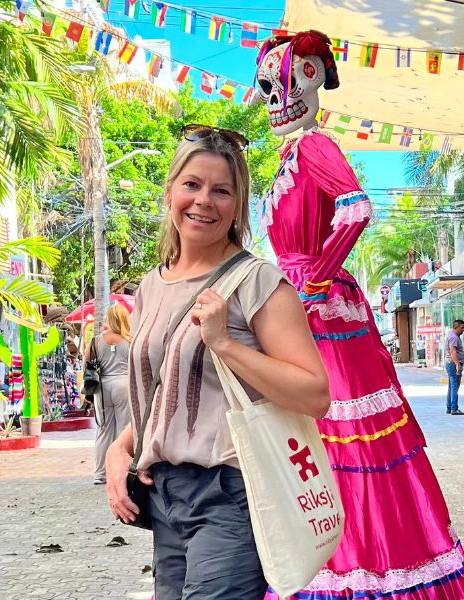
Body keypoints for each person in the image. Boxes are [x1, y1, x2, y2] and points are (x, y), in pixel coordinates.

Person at [253, 31, 464, 599]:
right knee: (314, 440)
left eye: (287, 83)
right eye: (267, 88)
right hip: (299, 305)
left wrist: (316, 280)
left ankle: (354, 568)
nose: (277, 100)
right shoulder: (292, 156)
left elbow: (356, 209)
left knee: (336, 437)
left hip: (320, 311)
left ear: (311, 78)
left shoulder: (314, 146)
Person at [105, 125, 330, 599]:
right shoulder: (151, 286)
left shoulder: (257, 281)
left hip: (229, 494)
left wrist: (225, 343)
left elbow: (315, 394)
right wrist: (119, 448)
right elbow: (166, 389)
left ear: (237, 206)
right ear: (170, 193)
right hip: (163, 495)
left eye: (221, 191)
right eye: (192, 184)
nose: (204, 201)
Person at [88, 304, 132, 485]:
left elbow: (87, 364)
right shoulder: (130, 340)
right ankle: (123, 472)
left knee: (103, 430)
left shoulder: (96, 341)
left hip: (102, 386)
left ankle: (100, 474)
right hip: (124, 384)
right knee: (125, 430)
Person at [445, 319, 464, 415]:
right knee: (454, 387)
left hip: (451, 363)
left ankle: (449, 407)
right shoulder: (454, 337)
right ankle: (454, 408)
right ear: (456, 327)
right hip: (453, 364)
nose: (463, 329)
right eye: (461, 328)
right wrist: (458, 364)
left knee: (451, 386)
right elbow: (453, 351)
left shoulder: (452, 335)